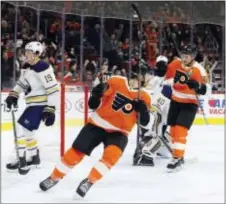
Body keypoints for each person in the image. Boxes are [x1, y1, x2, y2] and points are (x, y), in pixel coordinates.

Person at [39, 73, 151, 198]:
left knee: (110, 157)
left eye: (139, 79)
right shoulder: (117, 81)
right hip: (97, 124)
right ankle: (54, 177)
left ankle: (89, 181)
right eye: (134, 77)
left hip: (119, 132)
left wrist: (143, 111)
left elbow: (145, 123)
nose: (135, 81)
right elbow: (93, 103)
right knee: (75, 152)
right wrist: (96, 94)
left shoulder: (145, 96)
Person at [5, 41, 59, 175]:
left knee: (21, 128)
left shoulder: (43, 67)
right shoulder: (27, 67)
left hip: (40, 104)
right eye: (26, 52)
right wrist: (14, 94)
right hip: (32, 104)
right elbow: (22, 83)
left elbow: (53, 90)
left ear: (37, 54)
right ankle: (34, 157)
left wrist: (51, 109)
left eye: (29, 52)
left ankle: (21, 158)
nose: (26, 54)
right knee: (27, 131)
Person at [164, 44, 208, 172]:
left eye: (187, 55)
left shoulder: (199, 69)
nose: (184, 57)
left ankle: (176, 158)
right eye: (183, 54)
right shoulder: (174, 64)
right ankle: (179, 155)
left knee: (180, 130)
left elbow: (206, 89)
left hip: (190, 104)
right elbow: (166, 79)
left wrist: (198, 86)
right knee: (172, 130)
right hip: (175, 101)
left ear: (193, 56)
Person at [133, 55, 173, 166]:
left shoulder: (168, 79)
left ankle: (147, 148)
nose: (160, 68)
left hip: (160, 110)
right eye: (159, 65)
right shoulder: (155, 79)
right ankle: (147, 155)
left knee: (161, 137)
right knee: (156, 133)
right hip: (155, 110)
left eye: (163, 65)